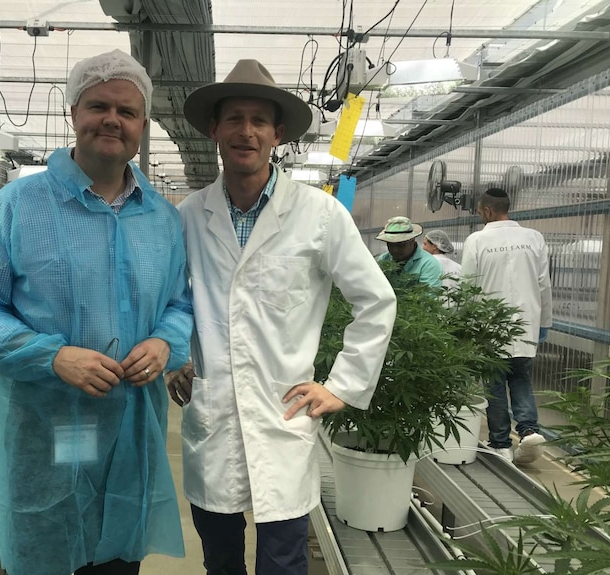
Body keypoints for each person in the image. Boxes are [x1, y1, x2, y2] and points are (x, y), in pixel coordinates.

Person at [0, 49, 193, 575]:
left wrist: (165, 342)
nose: (112, 119)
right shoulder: (21, 205)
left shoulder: (163, 220)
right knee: (51, 550)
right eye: (98, 105)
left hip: (130, 430)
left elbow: (180, 301)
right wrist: (52, 356)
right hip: (49, 426)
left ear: (143, 126)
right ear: (74, 115)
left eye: (127, 111)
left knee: (118, 556)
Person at [169, 59, 397, 575]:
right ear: (214, 130)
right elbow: (171, 298)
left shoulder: (318, 215)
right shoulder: (188, 216)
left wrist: (342, 386)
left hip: (284, 415)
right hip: (214, 414)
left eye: (259, 120)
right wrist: (176, 357)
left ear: (278, 134)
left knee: (284, 561)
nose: (245, 131)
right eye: (234, 119)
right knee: (220, 560)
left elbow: (376, 299)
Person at [461, 188, 552, 465]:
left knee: (495, 385)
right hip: (526, 325)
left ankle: (501, 444)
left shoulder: (477, 240)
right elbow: (543, 284)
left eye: (479, 212)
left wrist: (465, 326)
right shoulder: (533, 238)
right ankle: (528, 431)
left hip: (490, 327)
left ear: (487, 211)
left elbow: (468, 286)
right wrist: (544, 323)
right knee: (521, 378)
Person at [375, 216, 443, 287]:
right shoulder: (383, 259)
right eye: (390, 244)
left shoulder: (428, 264)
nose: (395, 249)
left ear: (412, 240)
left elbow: (429, 295)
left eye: (400, 245)